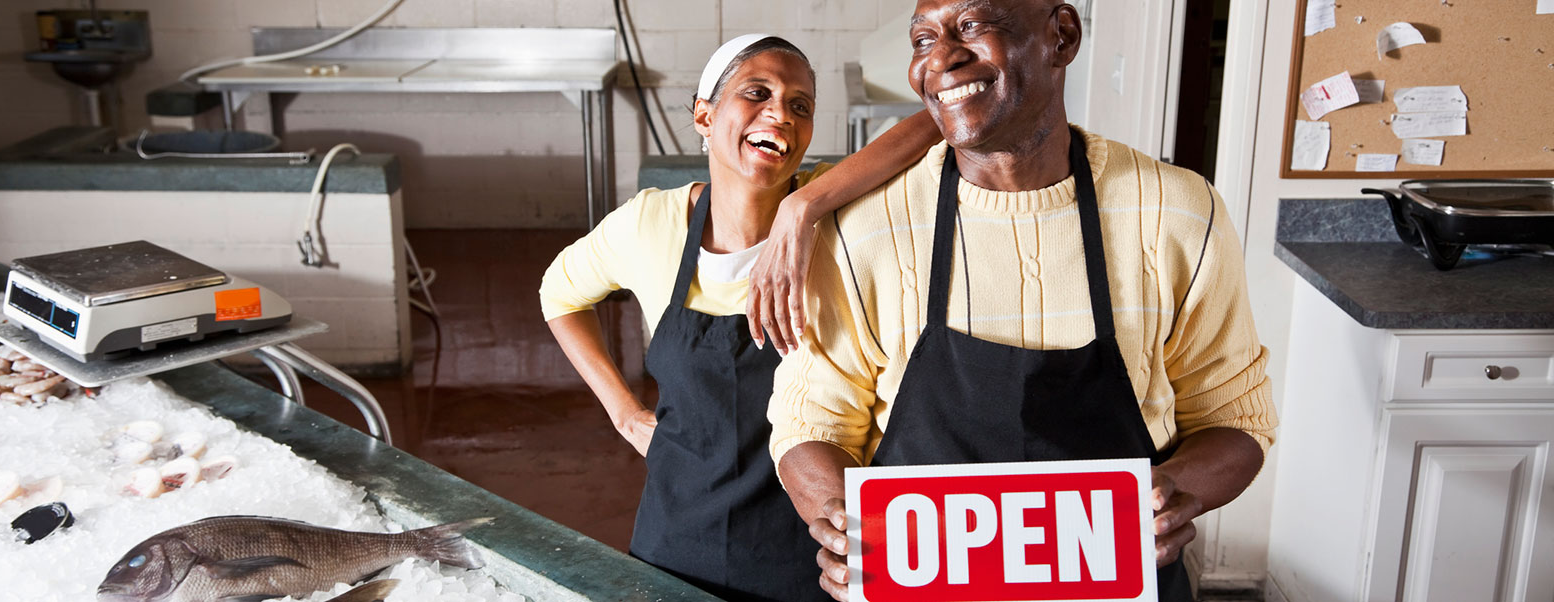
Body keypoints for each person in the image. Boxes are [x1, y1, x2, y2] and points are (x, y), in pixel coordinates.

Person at [760, 2, 1279, 600]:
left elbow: (1234, 419)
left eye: (975, 26)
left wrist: (1165, 497)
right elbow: (810, 422)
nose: (941, 56)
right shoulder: (863, 230)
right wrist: (841, 519)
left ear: (1060, 36)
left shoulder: (1178, 214)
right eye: (923, 38)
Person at [539, 35, 941, 601]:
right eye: (757, 93)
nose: (781, 113)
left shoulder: (842, 209)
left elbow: (939, 120)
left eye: (801, 105)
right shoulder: (651, 225)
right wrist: (626, 414)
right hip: (676, 541)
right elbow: (558, 296)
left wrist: (805, 207)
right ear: (705, 115)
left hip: (813, 545)